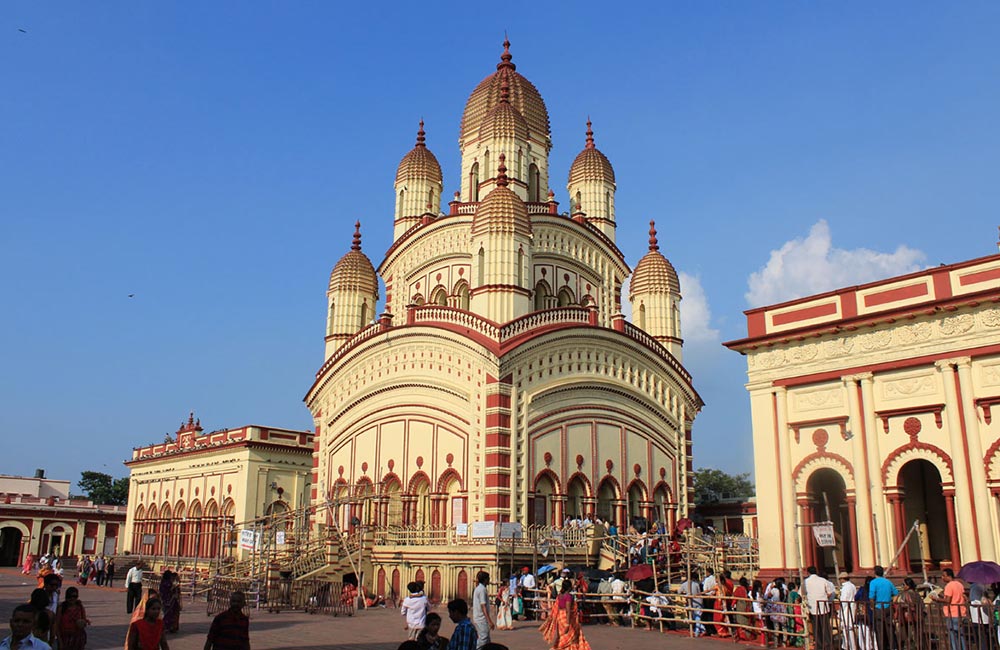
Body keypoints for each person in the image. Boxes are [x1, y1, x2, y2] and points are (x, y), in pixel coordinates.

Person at [539, 580, 592, 650]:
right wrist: (567, 624)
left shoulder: (560, 596)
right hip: (566, 618)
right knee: (571, 636)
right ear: (569, 588)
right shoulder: (568, 596)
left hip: (560, 617)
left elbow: (557, 607)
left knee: (562, 636)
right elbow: (568, 610)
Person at [933, 568, 968, 650]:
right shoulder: (959, 584)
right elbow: (962, 596)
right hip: (961, 612)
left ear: (949, 576)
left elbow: (948, 600)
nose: (942, 578)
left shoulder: (949, 586)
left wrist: (936, 599)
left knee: (953, 636)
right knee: (961, 635)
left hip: (952, 613)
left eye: (944, 576)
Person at [804, 566, 835, 650]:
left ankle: (819, 646)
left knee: (816, 628)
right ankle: (828, 645)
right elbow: (829, 593)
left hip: (813, 607)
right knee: (826, 628)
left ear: (808, 572)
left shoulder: (805, 582)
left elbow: (802, 594)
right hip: (823, 606)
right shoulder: (823, 580)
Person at [869, 565, 897, 650]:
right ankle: (892, 646)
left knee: (880, 630)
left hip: (878, 607)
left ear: (875, 573)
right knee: (890, 629)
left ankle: (882, 647)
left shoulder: (873, 582)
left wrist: (872, 606)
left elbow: (871, 597)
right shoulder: (888, 582)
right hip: (888, 607)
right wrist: (892, 603)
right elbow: (896, 593)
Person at [897, 577, 923, 650]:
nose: (902, 586)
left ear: (907, 585)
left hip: (907, 617)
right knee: (916, 635)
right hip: (917, 617)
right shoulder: (916, 593)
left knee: (908, 635)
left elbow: (902, 604)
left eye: (903, 584)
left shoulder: (906, 594)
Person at [472, 571, 494, 648]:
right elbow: (483, 606)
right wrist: (489, 621)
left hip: (479, 617)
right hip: (481, 618)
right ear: (485, 580)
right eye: (488, 578)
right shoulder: (482, 590)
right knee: (483, 638)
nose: (489, 580)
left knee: (487, 640)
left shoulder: (479, 588)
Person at [679, 572, 705, 636]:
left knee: (696, 616)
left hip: (692, 602)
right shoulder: (696, 584)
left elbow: (679, 592)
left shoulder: (684, 584)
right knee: (697, 616)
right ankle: (701, 629)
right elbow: (699, 592)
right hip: (698, 601)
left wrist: (685, 594)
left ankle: (698, 630)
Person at [838, 573, 858, 650]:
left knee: (847, 629)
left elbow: (844, 601)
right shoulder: (852, 586)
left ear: (842, 579)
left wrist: (840, 612)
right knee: (848, 629)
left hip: (846, 610)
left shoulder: (846, 588)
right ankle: (846, 645)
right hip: (851, 608)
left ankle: (850, 646)